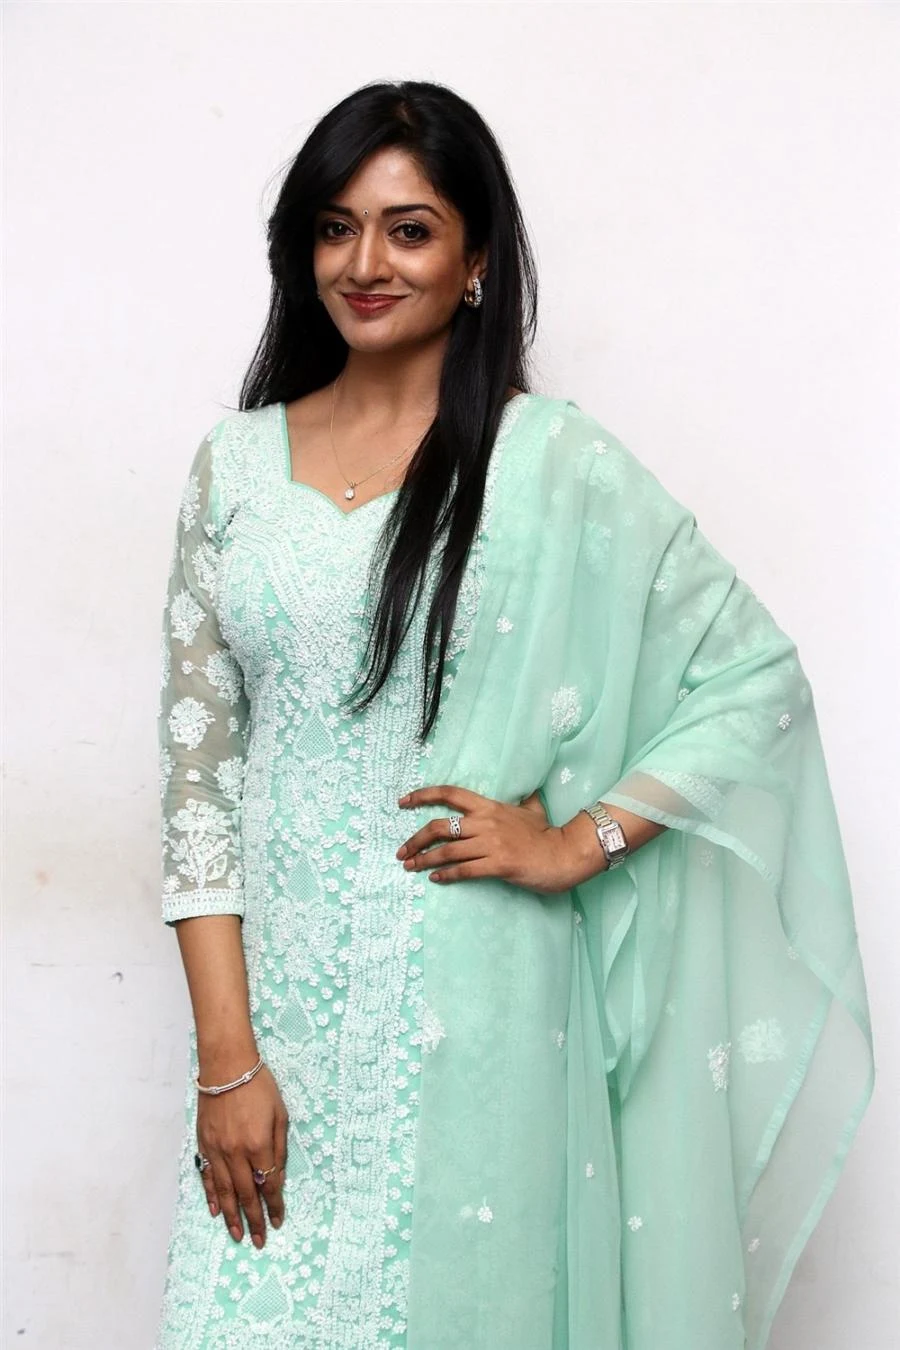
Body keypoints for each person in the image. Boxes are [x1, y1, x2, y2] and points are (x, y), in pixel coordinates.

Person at [154, 80, 874, 1350]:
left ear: (477, 259)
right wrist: (229, 1061)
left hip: (477, 1013)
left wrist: (581, 840)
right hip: (275, 1037)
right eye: (335, 228)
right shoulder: (235, 469)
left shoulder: (549, 463)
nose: (366, 264)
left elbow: (752, 676)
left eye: (410, 229)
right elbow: (199, 789)